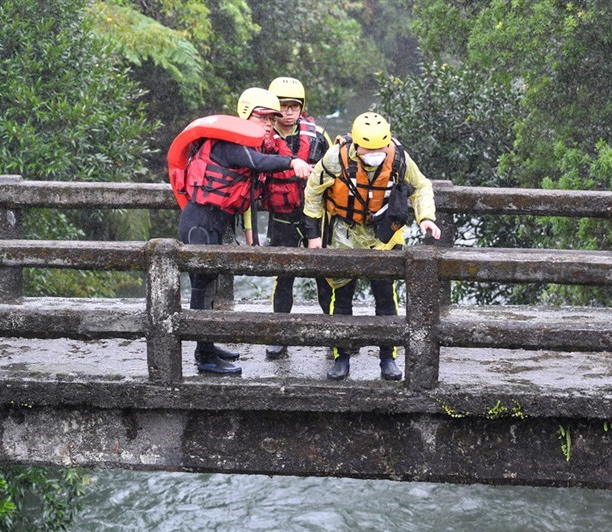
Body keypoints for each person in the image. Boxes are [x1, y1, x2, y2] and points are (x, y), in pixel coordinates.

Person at [177, 87, 312, 375]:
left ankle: (208, 347)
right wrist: (292, 161)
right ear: (246, 114)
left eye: (271, 118)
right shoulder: (229, 144)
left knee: (210, 290)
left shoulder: (244, 145)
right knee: (201, 291)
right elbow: (258, 163)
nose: (268, 123)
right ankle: (205, 358)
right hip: (199, 223)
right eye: (262, 117)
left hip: (213, 223)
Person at [302, 111, 441, 381]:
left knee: (385, 296)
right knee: (341, 297)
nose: (375, 154)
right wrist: (313, 235)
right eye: (368, 150)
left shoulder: (398, 157)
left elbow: (422, 185)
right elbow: (313, 191)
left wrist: (426, 218)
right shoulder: (335, 157)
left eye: (380, 148)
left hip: (382, 236)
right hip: (344, 233)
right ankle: (341, 357)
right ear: (356, 144)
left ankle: (387, 358)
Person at [262, 77, 333, 359]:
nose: (289, 112)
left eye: (294, 106)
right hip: (281, 215)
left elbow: (335, 170)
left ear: (301, 108)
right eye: (283, 106)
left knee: (325, 276)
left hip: (315, 215)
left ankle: (333, 334)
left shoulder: (317, 136)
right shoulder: (262, 138)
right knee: (284, 277)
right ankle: (280, 335)